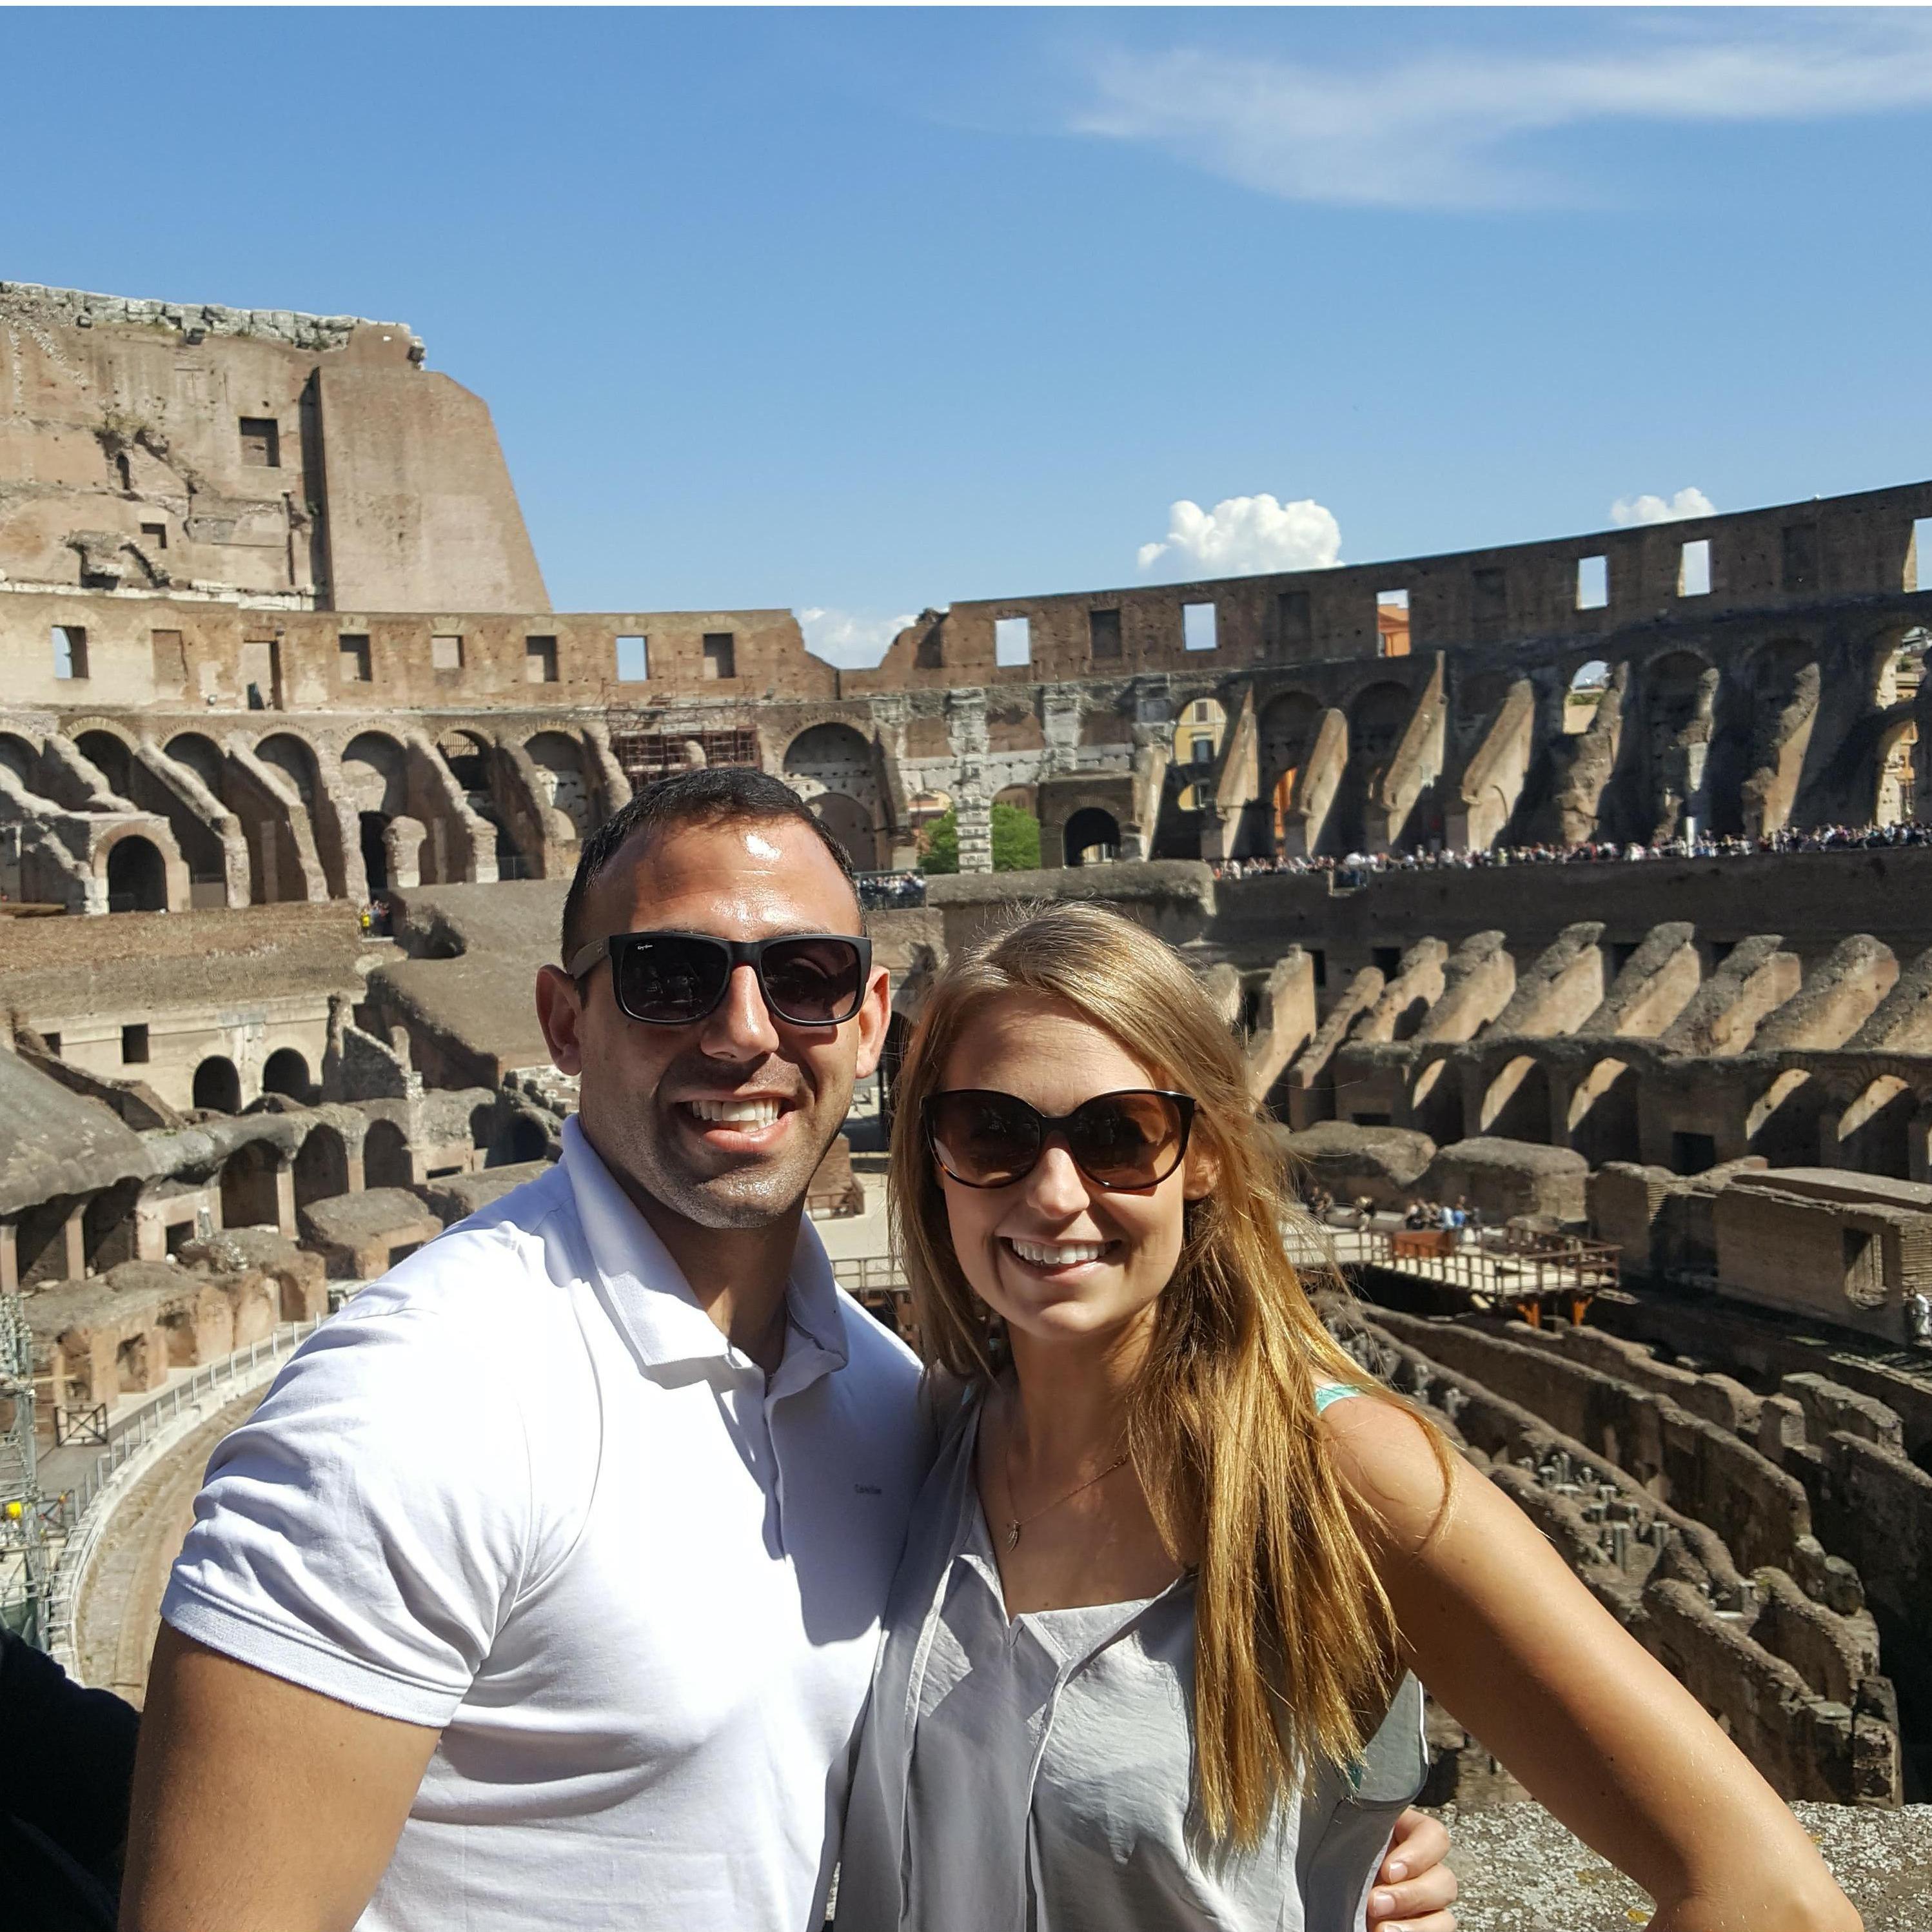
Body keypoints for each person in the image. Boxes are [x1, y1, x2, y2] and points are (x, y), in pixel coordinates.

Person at [117, 770, 1453, 1931]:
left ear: (870, 1021)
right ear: (566, 1021)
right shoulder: (410, 1405)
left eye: (802, 979)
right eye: (671, 977)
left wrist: (1318, 1848)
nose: (745, 1030)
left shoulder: (894, 1403)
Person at [837, 903, 1860, 1932]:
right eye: (992, 1131)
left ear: (1204, 1158)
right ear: (932, 1158)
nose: (1055, 1193)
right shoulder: (927, 1434)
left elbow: (1771, 1897)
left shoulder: (1346, 1473)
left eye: (1119, 1134)